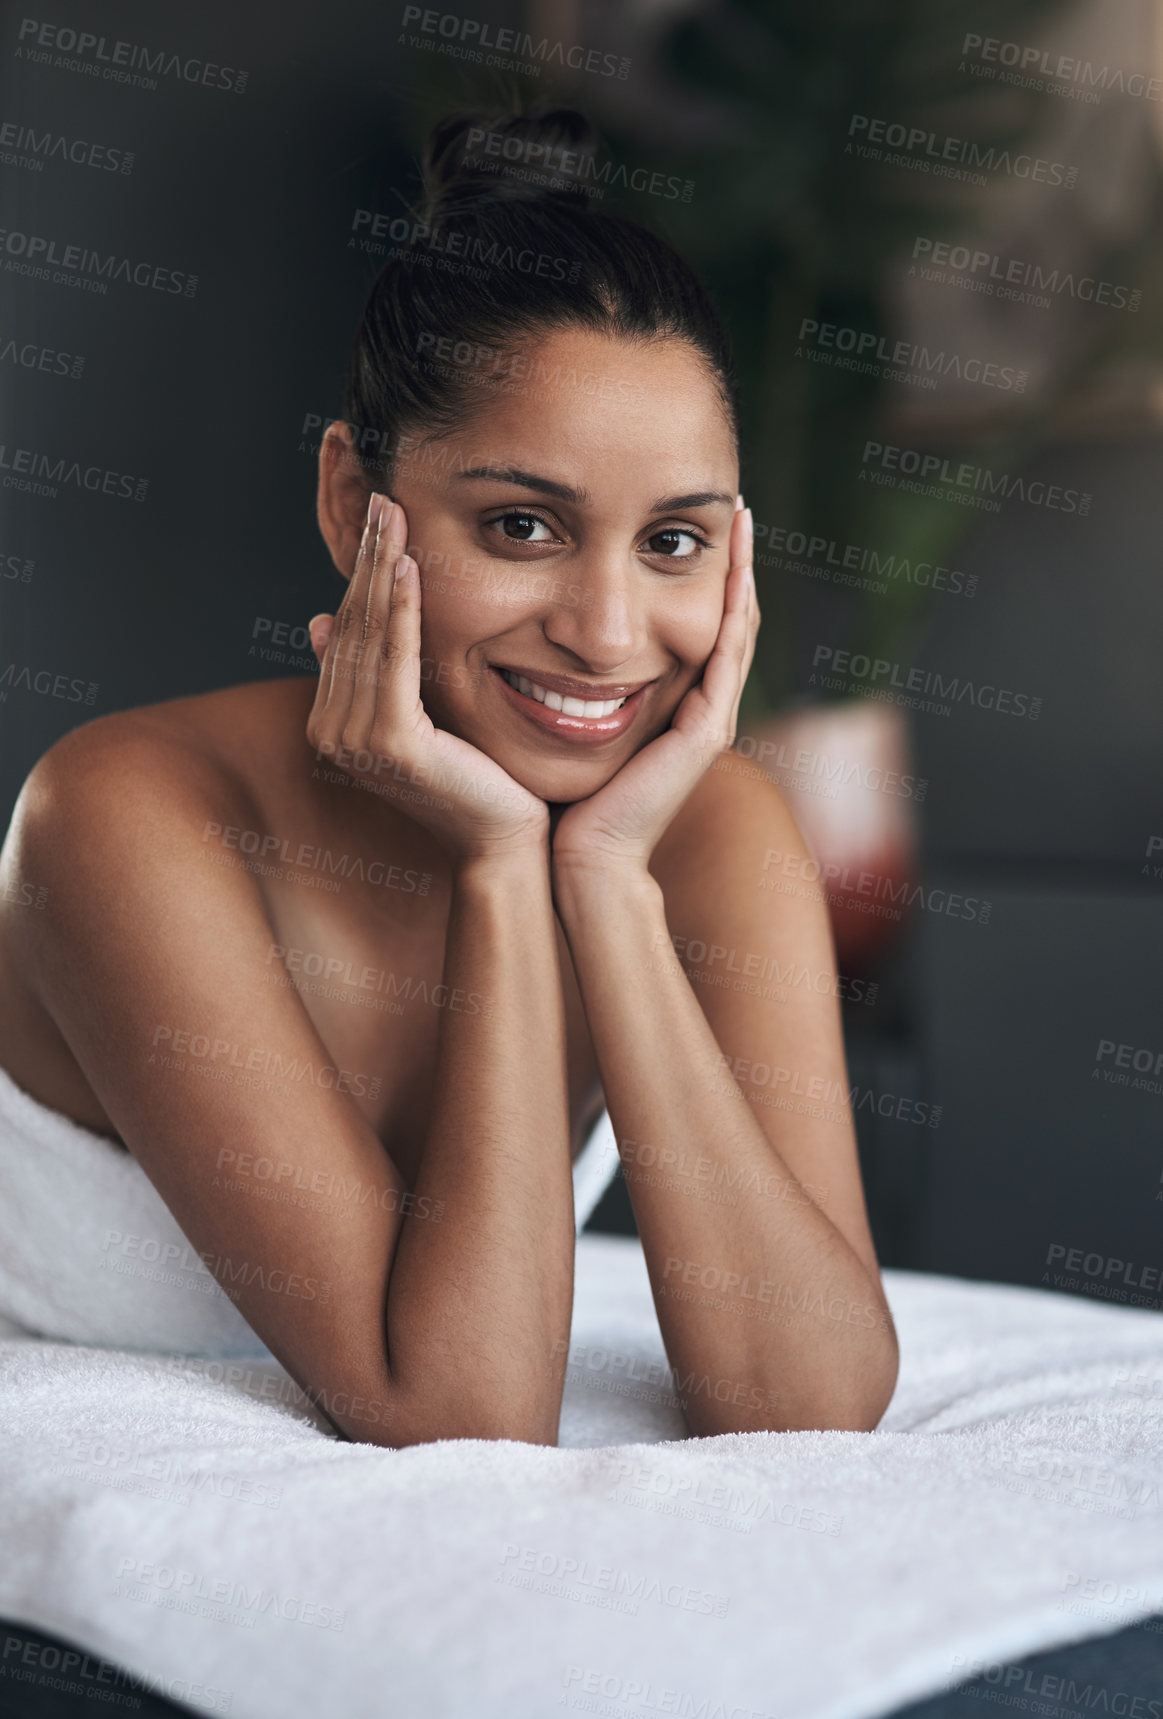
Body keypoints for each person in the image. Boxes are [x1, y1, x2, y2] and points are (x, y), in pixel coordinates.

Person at [0, 107, 898, 1446]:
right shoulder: (124, 812)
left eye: (672, 542)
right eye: (522, 527)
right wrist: (495, 860)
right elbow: (463, 1411)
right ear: (352, 504)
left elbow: (810, 1404)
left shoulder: (714, 836)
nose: (605, 632)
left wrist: (600, 880)